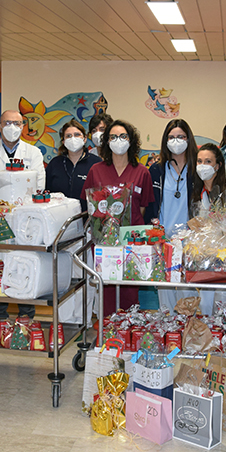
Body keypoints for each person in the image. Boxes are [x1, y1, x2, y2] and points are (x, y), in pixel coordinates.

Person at [0, 110, 46, 319]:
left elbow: (38, 186)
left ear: (23, 126)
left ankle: (26, 317)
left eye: (17, 123)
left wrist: (1, 181)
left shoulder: (33, 153)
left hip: (26, 222)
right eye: (7, 122)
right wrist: (19, 181)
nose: (12, 127)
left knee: (26, 267)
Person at [83, 120, 154, 314]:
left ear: (131, 141)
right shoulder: (96, 171)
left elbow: (142, 210)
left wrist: (126, 229)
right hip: (104, 241)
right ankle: (106, 334)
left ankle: (129, 332)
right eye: (113, 137)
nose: (118, 141)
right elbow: (90, 206)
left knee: (130, 290)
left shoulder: (142, 172)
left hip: (132, 240)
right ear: (106, 141)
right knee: (106, 286)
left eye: (123, 136)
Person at [144, 119, 197, 311]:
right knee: (165, 290)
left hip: (190, 239)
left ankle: (187, 329)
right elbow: (150, 205)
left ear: (188, 139)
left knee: (187, 290)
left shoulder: (197, 170)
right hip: (163, 239)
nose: (176, 141)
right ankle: (168, 332)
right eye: (171, 137)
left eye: (181, 137)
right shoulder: (157, 170)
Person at [191, 143, 226, 316]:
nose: (203, 165)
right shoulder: (197, 193)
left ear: (218, 165)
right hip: (206, 257)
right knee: (206, 305)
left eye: (208, 161)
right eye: (199, 161)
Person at [45, 119, 101, 200]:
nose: (73, 139)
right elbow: (46, 191)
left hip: (86, 212)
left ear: (85, 139)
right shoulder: (55, 163)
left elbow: (101, 193)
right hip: (59, 211)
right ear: (63, 141)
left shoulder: (96, 163)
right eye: (68, 136)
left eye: (77, 134)